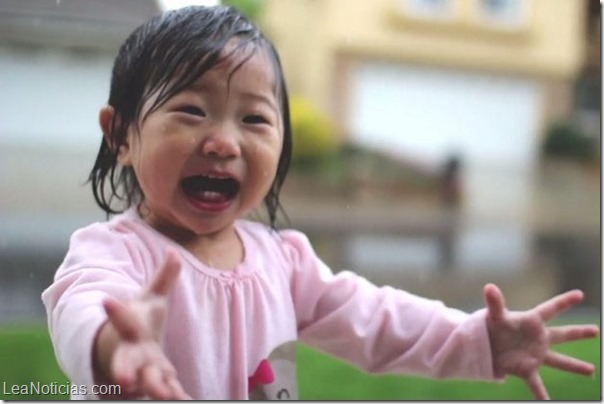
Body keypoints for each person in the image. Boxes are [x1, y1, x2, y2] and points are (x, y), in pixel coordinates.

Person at [41, 5, 598, 401]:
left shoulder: (283, 262)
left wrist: (477, 340)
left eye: (255, 119)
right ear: (120, 136)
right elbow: (82, 307)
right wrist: (116, 344)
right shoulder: (115, 257)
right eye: (191, 110)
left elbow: (377, 320)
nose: (225, 142)